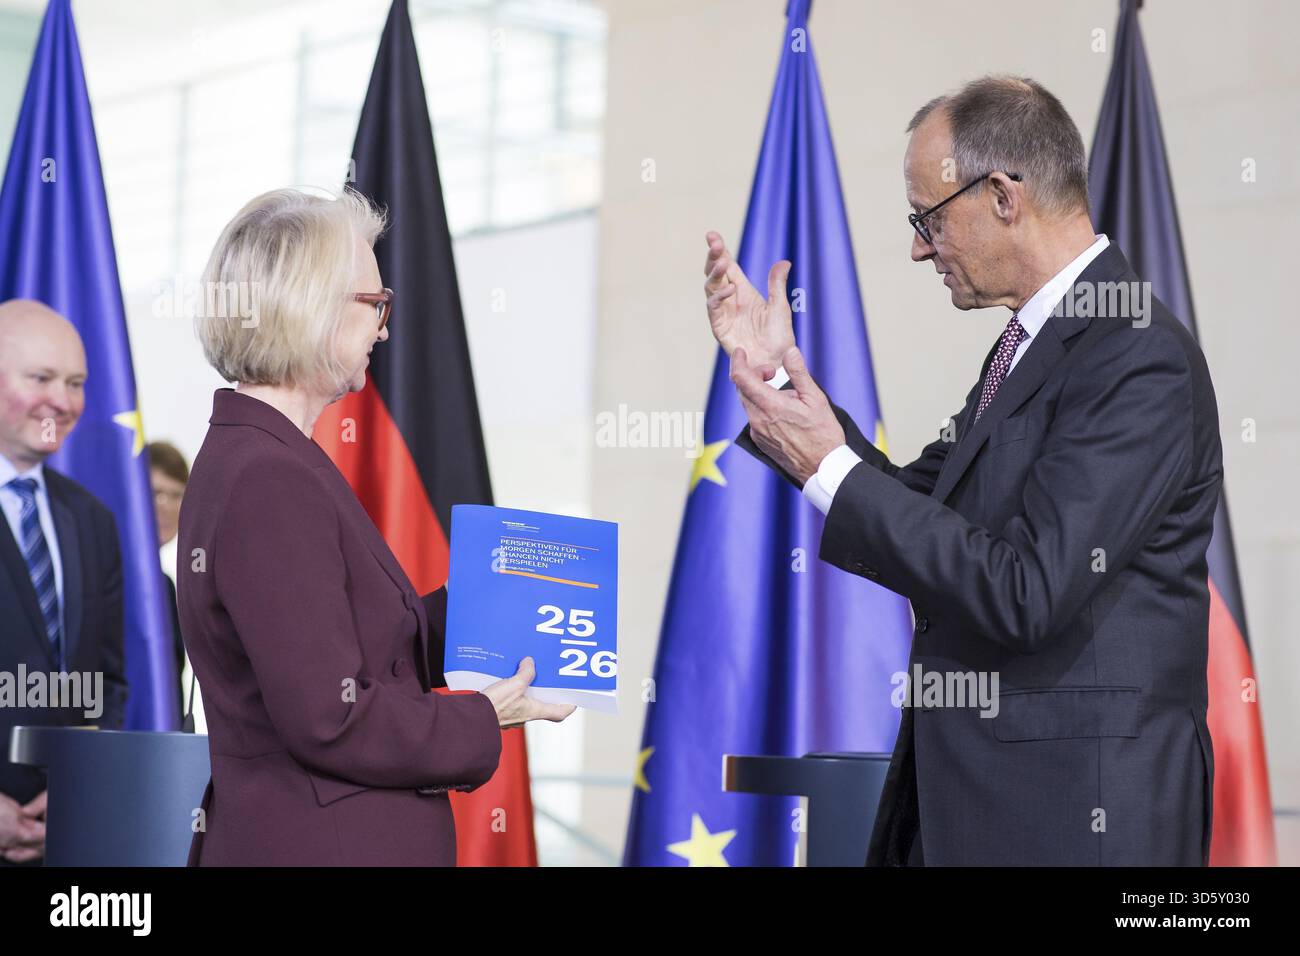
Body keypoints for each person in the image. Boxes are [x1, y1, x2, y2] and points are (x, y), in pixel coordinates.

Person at [706, 76, 1220, 866]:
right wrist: (778, 386)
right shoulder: (1037, 343)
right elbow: (924, 503)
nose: (919, 246)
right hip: (971, 804)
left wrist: (828, 464)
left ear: (1005, 196)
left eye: (928, 218)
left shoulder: (1134, 352)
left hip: (1072, 817)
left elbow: (1028, 590)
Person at [179, 187, 573, 866]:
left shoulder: (265, 457)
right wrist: (487, 715)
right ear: (312, 304)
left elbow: (343, 655)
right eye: (375, 304)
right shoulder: (270, 476)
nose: (385, 328)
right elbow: (329, 717)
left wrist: (488, 599)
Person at [0, 299, 128, 866]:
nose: (63, 400)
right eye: (41, 377)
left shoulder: (93, 520)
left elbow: (108, 678)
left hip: (68, 835)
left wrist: (80, 781)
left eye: (75, 382)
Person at [146, 440, 194, 725]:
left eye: (176, 495)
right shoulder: (106, 581)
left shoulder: (164, 586)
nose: (164, 506)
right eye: (155, 493)